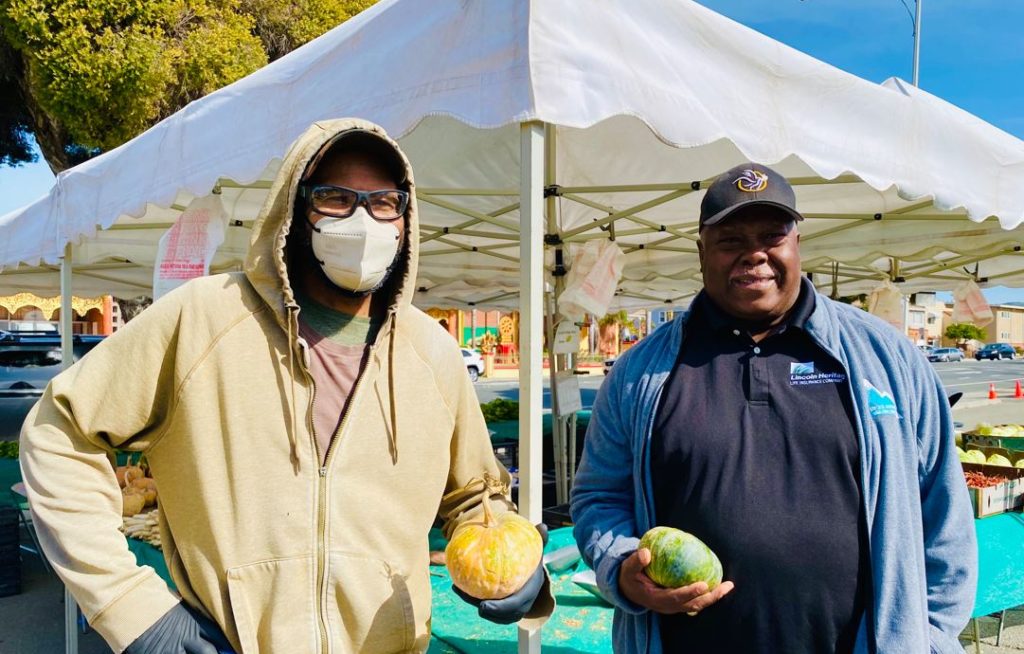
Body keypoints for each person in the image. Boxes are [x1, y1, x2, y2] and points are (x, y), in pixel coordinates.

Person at [21, 119, 551, 654]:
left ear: (405, 218)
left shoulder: (432, 351)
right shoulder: (202, 321)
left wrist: (512, 561)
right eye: (335, 198)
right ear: (294, 210)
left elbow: (475, 496)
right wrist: (133, 610)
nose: (363, 221)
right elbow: (57, 431)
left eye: (384, 203)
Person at [571, 162, 976, 653]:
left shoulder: (886, 357)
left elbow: (943, 507)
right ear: (701, 252)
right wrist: (621, 566)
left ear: (796, 244)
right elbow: (600, 496)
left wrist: (930, 638)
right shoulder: (639, 374)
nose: (754, 254)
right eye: (730, 240)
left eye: (772, 236)